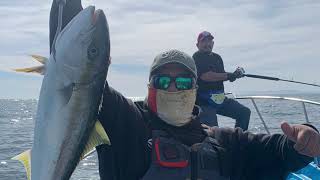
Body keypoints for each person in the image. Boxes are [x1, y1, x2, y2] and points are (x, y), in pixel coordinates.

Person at [96, 49, 320, 180]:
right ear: (149, 87)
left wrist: (302, 141)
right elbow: (88, 89)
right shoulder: (128, 126)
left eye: (183, 82)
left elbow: (275, 152)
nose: (173, 88)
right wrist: (93, 67)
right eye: (162, 81)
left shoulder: (226, 142)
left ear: (194, 90)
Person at [192, 31, 251, 130]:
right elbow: (206, 76)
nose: (207, 44)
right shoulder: (196, 57)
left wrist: (234, 75)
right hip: (204, 102)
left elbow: (221, 76)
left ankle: (238, 140)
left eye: (210, 41)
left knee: (244, 112)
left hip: (220, 99)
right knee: (213, 131)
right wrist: (229, 76)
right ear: (198, 45)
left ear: (213, 43)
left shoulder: (217, 58)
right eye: (204, 41)